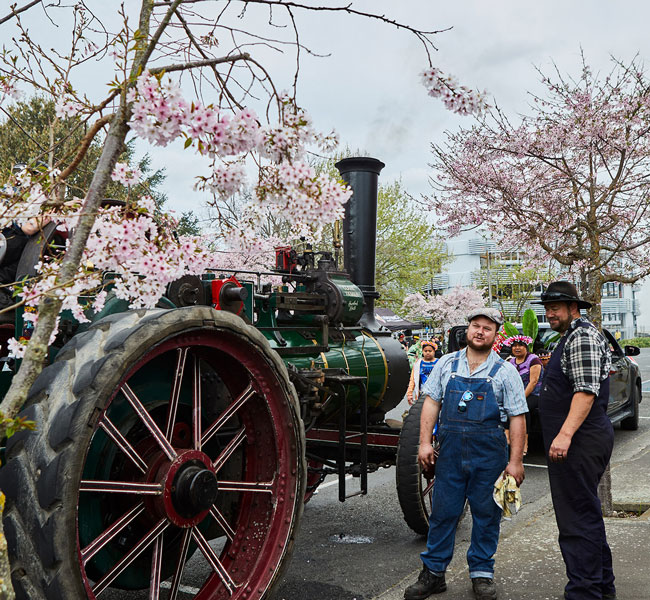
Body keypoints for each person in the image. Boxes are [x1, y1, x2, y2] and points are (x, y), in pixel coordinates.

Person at [404, 308, 528, 600]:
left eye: (487, 328)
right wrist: (424, 443)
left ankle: (482, 574)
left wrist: (515, 461)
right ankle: (433, 573)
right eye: (476, 326)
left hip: (489, 454)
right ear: (468, 329)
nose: (480, 331)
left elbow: (518, 417)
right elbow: (431, 403)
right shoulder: (447, 364)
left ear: (495, 335)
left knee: (487, 515)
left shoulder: (505, 371)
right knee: (444, 513)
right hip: (450, 453)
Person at [534, 281, 616, 600]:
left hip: (580, 441)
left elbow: (584, 392)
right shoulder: (571, 336)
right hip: (582, 440)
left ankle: (584, 593)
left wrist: (564, 435)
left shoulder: (581, 335)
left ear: (574, 308)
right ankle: (601, 589)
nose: (550, 313)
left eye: (556, 308)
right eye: (548, 308)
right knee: (586, 516)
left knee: (576, 520)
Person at [503, 334, 543, 454]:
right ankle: (507, 437)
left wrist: (521, 398)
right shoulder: (511, 361)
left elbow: (533, 382)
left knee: (523, 408)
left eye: (520, 345)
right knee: (505, 406)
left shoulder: (534, 359)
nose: (517, 348)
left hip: (535, 394)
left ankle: (525, 443)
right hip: (517, 395)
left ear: (526, 347)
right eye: (514, 346)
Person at [406, 339, 438, 405]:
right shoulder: (418, 364)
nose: (428, 353)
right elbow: (412, 380)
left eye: (430, 351)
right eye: (425, 351)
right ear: (422, 351)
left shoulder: (439, 362)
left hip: (436, 396)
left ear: (434, 351)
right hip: (422, 396)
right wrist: (409, 394)